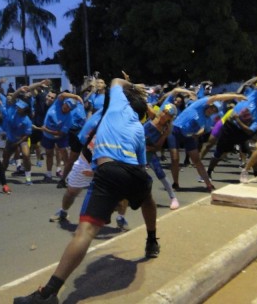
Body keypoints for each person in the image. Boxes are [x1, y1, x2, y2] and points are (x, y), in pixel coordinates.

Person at [14, 78, 159, 304]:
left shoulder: (116, 107)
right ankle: (151, 240)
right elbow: (139, 166)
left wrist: (130, 85)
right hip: (134, 173)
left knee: (85, 232)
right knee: (148, 199)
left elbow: (117, 81)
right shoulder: (139, 129)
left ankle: (48, 293)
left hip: (108, 169)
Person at [170, 93, 246, 192]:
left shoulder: (208, 120)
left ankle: (208, 184)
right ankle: (176, 183)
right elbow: (216, 97)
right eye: (211, 108)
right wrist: (235, 96)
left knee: (197, 160)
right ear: (208, 105)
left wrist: (196, 135)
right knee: (175, 159)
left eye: (214, 111)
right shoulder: (198, 105)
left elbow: (204, 130)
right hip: (176, 130)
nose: (212, 111)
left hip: (189, 136)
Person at [143, 103, 180, 210]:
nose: (164, 114)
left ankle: (173, 198)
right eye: (164, 111)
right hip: (136, 148)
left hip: (149, 151)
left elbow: (159, 146)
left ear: (171, 117)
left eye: (167, 114)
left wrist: (151, 149)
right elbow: (145, 104)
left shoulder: (166, 129)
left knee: (160, 174)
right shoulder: (153, 116)